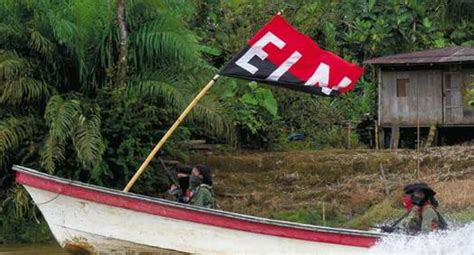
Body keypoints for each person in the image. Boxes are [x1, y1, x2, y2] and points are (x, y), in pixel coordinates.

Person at [382, 183, 447, 234]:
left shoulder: (428, 211)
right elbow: (406, 224)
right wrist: (394, 230)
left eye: (418, 194)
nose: (412, 196)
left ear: (424, 196)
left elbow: (427, 235)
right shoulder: (416, 209)